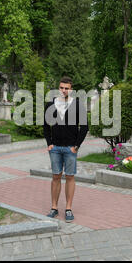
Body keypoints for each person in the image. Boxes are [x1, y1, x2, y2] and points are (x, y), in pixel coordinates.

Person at [43, 76, 88, 223]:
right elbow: (45, 125)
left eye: (66, 88)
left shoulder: (77, 105)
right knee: (56, 177)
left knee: (70, 177)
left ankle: (68, 209)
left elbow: (84, 127)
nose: (63, 90)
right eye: (61, 87)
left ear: (71, 89)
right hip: (55, 148)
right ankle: (54, 208)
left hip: (70, 148)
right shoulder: (51, 104)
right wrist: (49, 143)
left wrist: (76, 146)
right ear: (58, 88)